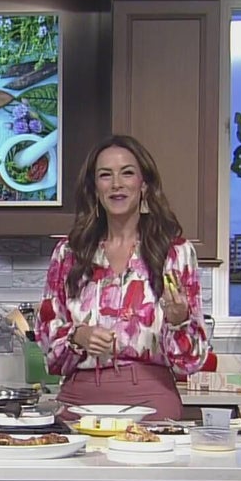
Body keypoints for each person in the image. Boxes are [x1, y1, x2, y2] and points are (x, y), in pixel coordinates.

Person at [36, 135, 209, 420]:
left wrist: (179, 321)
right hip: (78, 399)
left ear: (144, 184)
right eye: (106, 175)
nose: (116, 183)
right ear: (95, 188)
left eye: (127, 173)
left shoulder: (175, 253)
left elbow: (191, 362)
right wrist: (78, 336)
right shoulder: (69, 253)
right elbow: (47, 342)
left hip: (150, 399)